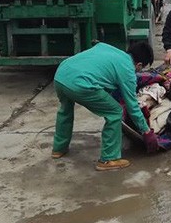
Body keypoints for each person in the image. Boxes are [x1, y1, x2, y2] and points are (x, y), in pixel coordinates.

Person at [52, 41, 159, 170]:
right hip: (80, 84)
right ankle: (109, 159)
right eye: (141, 68)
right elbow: (133, 107)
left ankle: (58, 149)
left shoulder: (107, 48)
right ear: (139, 65)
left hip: (61, 75)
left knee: (65, 109)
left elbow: (102, 75)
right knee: (115, 112)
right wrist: (146, 131)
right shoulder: (128, 70)